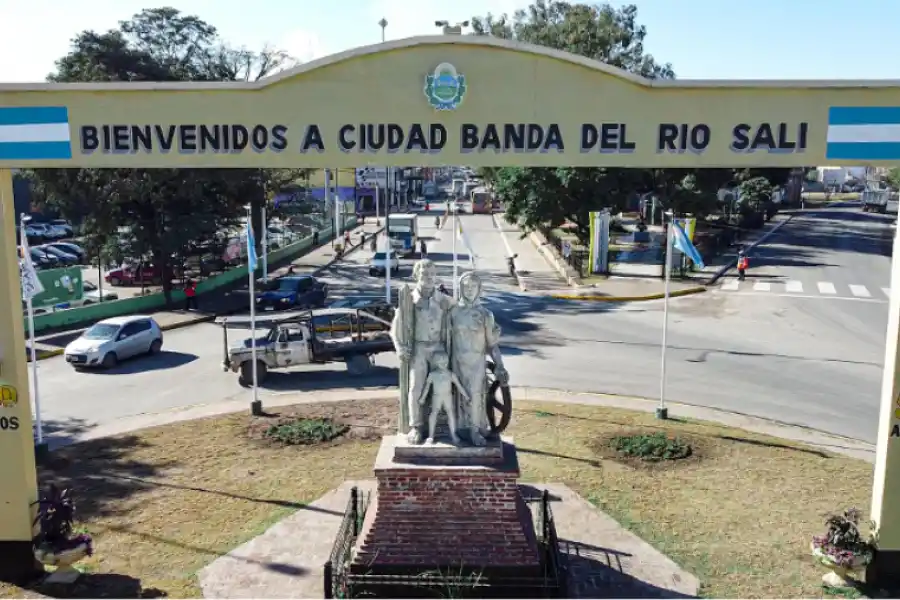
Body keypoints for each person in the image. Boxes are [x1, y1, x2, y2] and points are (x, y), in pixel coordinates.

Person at [415, 350, 464, 445]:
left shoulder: (450, 374)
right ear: (436, 363)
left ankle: (453, 434)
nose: (444, 364)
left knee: (451, 414)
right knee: (434, 414)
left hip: (448, 396)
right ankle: (431, 435)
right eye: (441, 362)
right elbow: (427, 387)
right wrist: (423, 398)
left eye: (445, 362)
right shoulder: (433, 375)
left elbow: (459, 386)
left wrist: (466, 396)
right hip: (436, 396)